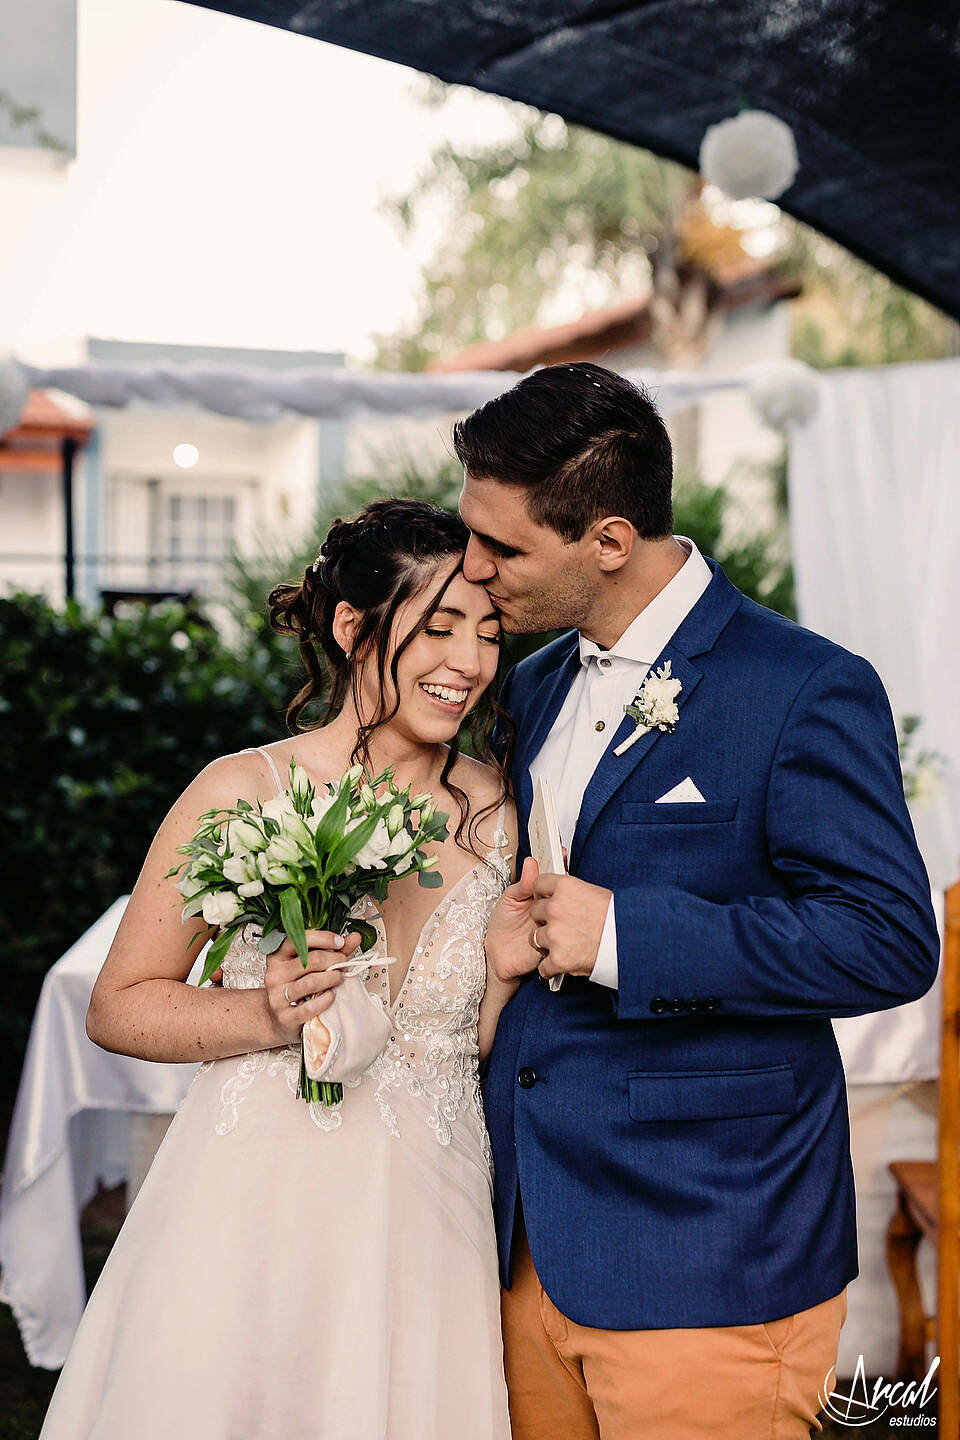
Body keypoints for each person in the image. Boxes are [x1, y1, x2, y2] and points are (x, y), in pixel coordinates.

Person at [454, 362, 941, 1440]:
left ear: (609, 542)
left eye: (503, 548)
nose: (473, 570)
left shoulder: (803, 685)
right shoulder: (531, 688)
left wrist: (625, 935)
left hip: (707, 1250)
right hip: (527, 1238)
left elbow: (889, 941)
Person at [39, 499, 520, 1440]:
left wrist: (506, 972)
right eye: (439, 626)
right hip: (255, 1199)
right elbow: (120, 1006)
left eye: (489, 633)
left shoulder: (505, 809)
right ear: (352, 626)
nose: (468, 662)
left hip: (435, 1207)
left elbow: (486, 1047)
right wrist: (265, 1015)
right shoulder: (244, 789)